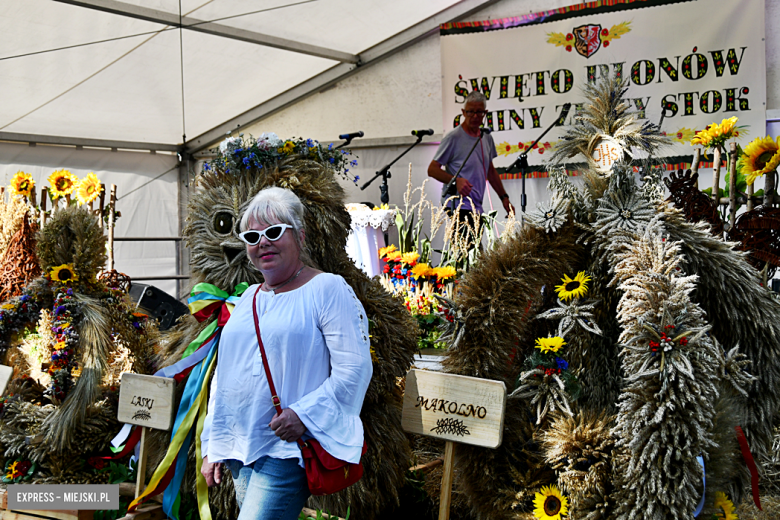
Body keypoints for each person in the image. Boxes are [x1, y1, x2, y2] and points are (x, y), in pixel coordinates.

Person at [200, 186, 373, 520]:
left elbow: (354, 369)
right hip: (240, 449)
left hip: (286, 451)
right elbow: (225, 377)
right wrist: (215, 444)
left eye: (274, 232)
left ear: (300, 236)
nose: (262, 242)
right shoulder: (247, 298)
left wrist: (303, 415)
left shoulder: (327, 289)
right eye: (252, 235)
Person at [427, 91, 515, 250]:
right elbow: (432, 169)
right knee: (472, 253)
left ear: (485, 113)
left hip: (476, 205)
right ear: (463, 112)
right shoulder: (453, 138)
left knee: (472, 255)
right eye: (470, 112)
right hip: (458, 205)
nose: (474, 116)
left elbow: (490, 171)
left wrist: (504, 197)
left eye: (479, 112)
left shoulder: (486, 137)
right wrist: (456, 180)